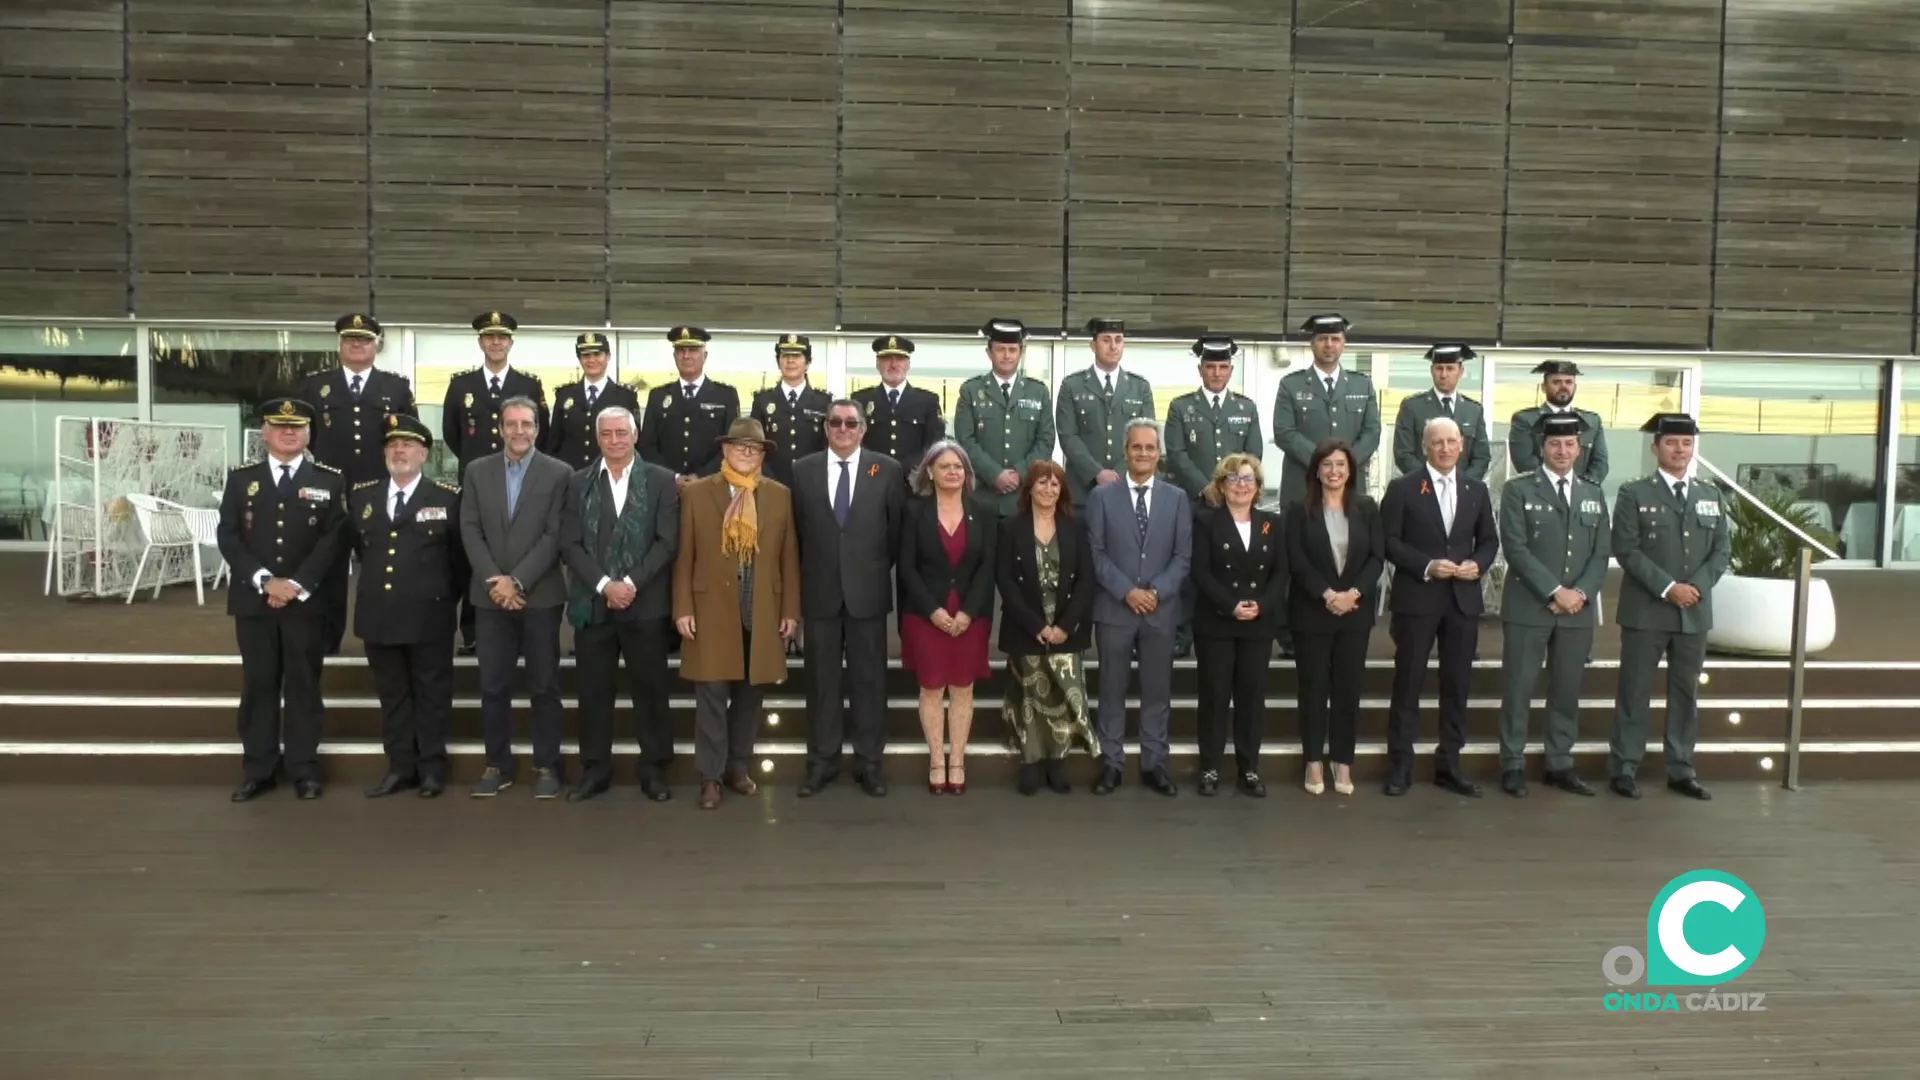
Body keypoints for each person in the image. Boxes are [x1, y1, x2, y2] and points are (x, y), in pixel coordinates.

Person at [215, 398, 346, 802]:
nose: (289, 433)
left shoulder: (329, 480)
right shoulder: (241, 480)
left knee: (304, 685)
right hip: (255, 602)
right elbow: (229, 536)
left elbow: (333, 540)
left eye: (297, 427)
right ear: (265, 433)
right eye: (280, 426)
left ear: (308, 433)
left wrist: (297, 585)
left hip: (305, 602)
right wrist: (265, 581)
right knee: (259, 685)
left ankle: (304, 769)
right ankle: (259, 769)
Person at [673, 419, 801, 810]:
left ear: (763, 455)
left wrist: (791, 611)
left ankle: (737, 767)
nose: (746, 453)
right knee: (711, 693)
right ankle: (710, 777)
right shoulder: (697, 493)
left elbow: (788, 557)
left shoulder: (779, 495)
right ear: (725, 451)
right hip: (711, 608)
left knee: (750, 693)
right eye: (739, 447)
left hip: (760, 609)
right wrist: (682, 607)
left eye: (754, 449)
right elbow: (685, 555)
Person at [557, 406, 680, 803]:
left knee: (651, 689)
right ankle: (595, 769)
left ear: (635, 435)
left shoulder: (661, 481)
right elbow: (569, 543)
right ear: (597, 439)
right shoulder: (577, 483)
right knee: (593, 691)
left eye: (621, 433)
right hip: (593, 605)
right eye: (606, 434)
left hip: (644, 605)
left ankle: (655, 769)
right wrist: (603, 584)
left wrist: (628, 584)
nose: (614, 441)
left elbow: (667, 542)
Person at [457, 395, 573, 799]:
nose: (519, 431)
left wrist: (517, 581)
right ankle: (498, 765)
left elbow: (555, 535)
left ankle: (547, 765)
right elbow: (470, 529)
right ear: (501, 428)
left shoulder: (560, 473)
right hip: (489, 598)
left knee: (544, 685)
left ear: (537, 428)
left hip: (539, 596)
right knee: (493, 685)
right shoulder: (476, 471)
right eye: (511, 424)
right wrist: (497, 582)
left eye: (526, 424)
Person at [1609, 412, 1729, 801]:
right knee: (1634, 691)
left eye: (1687, 443)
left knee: (1685, 694)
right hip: (1647, 610)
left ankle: (1680, 768)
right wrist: (1668, 587)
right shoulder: (1634, 493)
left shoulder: (1710, 495)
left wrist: (1694, 587)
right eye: (1672, 443)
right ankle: (1625, 767)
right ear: (1655, 447)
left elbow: (1720, 551)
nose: (1680, 450)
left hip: (1693, 611)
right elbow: (1626, 548)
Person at [790, 401, 905, 798]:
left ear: (863, 429)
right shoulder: (801, 471)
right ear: (825, 427)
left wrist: (865, 570)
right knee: (821, 683)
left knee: (869, 682)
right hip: (819, 593)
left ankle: (869, 764)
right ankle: (822, 762)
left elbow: (894, 536)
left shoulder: (887, 470)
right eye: (835, 422)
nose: (842, 429)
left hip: (867, 595)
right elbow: (798, 534)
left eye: (850, 423)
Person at [1381, 416, 1499, 797]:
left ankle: (1449, 763)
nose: (1445, 448)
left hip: (1462, 602)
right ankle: (1400, 765)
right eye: (1437, 442)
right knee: (1409, 682)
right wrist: (1427, 566)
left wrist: (1477, 565)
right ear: (1424, 447)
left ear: (1462, 445)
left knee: (1457, 685)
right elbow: (1389, 541)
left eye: (1451, 441)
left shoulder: (1476, 490)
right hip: (1418, 598)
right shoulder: (1402, 489)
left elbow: (1488, 541)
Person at [1497, 413, 1611, 798]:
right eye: (1554, 444)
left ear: (1579, 449)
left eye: (1569, 444)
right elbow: (1515, 547)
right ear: (1542, 448)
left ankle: (1559, 763)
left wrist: (1580, 593)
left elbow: (1600, 552)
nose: (1562, 451)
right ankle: (1511, 763)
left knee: (1566, 688)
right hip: (1530, 607)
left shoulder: (1593, 493)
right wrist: (1553, 591)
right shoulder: (1518, 490)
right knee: (1518, 687)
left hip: (1577, 611)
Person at [347, 414, 461, 799]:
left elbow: (459, 561)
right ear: (384, 452)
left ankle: (431, 768)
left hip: (430, 615)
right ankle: (399, 767)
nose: (400, 451)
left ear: (424, 453)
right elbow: (360, 551)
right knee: (392, 696)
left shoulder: (447, 498)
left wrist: (442, 597)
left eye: (409, 445)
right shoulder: (362, 497)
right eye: (394, 445)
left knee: (431, 695)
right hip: (379, 615)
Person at [296, 313, 417, 655]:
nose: (357, 345)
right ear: (340, 345)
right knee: (328, 568)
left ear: (376, 346)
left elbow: (407, 437)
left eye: (364, 340)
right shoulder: (315, 386)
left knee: (383, 567)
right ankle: (326, 638)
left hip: (379, 491)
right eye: (350, 339)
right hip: (329, 493)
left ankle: (386, 636)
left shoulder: (395, 387)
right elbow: (307, 436)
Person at [1084, 418, 1191, 797]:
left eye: (1149, 447)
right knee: (1111, 688)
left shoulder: (1176, 498)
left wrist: (1156, 592)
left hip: (1161, 611)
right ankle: (1111, 763)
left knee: (1157, 691)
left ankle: (1153, 763)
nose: (1143, 453)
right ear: (1125, 451)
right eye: (1136, 447)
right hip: (1115, 608)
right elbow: (1095, 554)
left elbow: (1182, 556)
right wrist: (1127, 591)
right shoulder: (1101, 498)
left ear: (1158, 453)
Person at [443, 311, 549, 653]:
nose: (496, 342)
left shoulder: (529, 385)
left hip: (520, 481)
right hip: (478, 485)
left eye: (502, 337)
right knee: (473, 554)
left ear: (511, 343)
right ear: (480, 342)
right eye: (490, 337)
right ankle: (473, 631)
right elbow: (452, 434)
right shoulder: (461, 385)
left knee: (519, 549)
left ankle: (519, 620)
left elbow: (538, 431)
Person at [1286, 438, 1383, 797]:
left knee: (1348, 690)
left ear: (1351, 470)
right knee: (1312, 689)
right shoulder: (1298, 509)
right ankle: (1313, 761)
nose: (1334, 471)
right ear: (1316, 470)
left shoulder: (1367, 508)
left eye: (1340, 464)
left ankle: (1343, 761)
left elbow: (1377, 557)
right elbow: (1296, 560)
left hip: (1354, 614)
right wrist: (1327, 594)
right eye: (1326, 465)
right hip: (1313, 612)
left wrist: (1352, 594)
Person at [898, 440, 996, 795]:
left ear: (967, 474)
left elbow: (987, 567)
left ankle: (958, 760)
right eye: (945, 466)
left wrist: (968, 612)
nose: (953, 472)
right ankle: (937, 759)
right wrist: (933, 610)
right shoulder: (914, 511)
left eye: (959, 467)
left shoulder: (983, 510)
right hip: (927, 616)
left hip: (971, 616)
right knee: (932, 687)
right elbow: (906, 567)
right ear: (930, 472)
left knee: (962, 688)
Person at [1165, 334, 1269, 659]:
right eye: (1211, 367)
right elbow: (1177, 453)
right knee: (1189, 570)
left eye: (1223, 367)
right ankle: (1182, 635)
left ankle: (1229, 621)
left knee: (1231, 568)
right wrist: (1207, 488)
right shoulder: (1181, 407)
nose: (1217, 373)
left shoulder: (1246, 408)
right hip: (1195, 504)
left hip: (1236, 505)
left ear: (1231, 369)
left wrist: (1229, 488)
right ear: (1200, 369)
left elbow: (1253, 455)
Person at [996, 460, 1097, 795]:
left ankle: (1057, 760)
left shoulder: (1076, 526)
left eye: (1055, 484)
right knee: (1028, 694)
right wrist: (1036, 625)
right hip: (1026, 624)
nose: (1049, 489)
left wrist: (1065, 626)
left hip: (1067, 625)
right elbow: (1006, 580)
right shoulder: (1011, 527)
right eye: (1042, 483)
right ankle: (1030, 760)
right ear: (1030, 488)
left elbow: (1086, 579)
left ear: (1062, 490)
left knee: (1062, 693)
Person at [1188, 453, 1286, 797]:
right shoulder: (1204, 521)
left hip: (1258, 624)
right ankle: (1210, 767)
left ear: (1258, 487)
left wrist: (1260, 605)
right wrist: (1231, 606)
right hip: (1216, 622)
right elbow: (1200, 572)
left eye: (1248, 480)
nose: (1241, 486)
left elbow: (1280, 574)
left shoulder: (1272, 523)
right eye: (1233, 479)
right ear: (1221, 485)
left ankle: (1249, 768)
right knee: (1214, 696)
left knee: (1251, 698)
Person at [1271, 313, 1381, 508]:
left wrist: (1343, 465)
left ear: (1343, 344)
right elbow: (1284, 433)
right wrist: (1323, 462)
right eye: (1322, 339)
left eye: (1335, 339)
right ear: (1312, 344)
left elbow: (1372, 432)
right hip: (1303, 488)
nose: (1329, 344)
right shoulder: (1290, 385)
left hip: (1349, 488)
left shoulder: (1362, 385)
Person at [952, 318, 1056, 518]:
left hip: (1024, 497)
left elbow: (1046, 440)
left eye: (1012, 349)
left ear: (1021, 352)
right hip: (982, 497)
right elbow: (965, 440)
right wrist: (994, 474)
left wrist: (1019, 473)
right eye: (1000, 349)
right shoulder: (971, 390)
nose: (1007, 355)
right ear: (989, 352)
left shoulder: (1038, 391)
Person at [1056, 317, 1156, 500]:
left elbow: (1146, 436)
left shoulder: (1140, 387)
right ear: (1093, 345)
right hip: (1082, 489)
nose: (1113, 346)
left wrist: (1119, 473)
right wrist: (1096, 472)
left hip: (1128, 487)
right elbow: (1068, 436)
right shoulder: (1072, 385)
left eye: (1118, 340)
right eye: (1106, 340)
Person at [637, 325, 741, 488]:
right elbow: (647, 447)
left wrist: (702, 476)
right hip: (667, 487)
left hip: (711, 486)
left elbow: (731, 446)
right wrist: (673, 477)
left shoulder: (726, 396)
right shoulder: (658, 396)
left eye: (693, 350)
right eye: (680, 350)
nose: (686, 356)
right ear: (674, 356)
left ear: (704, 355)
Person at [851, 335, 945, 479]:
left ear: (908, 364)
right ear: (877, 364)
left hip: (914, 482)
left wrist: (912, 469)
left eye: (900, 359)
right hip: (872, 479)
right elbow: (855, 442)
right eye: (887, 359)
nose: (893, 364)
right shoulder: (861, 400)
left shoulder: (928, 401)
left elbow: (934, 445)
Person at [542, 332, 640, 471]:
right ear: (579, 359)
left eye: (597, 354)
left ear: (608, 357)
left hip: (610, 475)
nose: (591, 360)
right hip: (570, 477)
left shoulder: (625, 397)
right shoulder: (565, 395)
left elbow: (636, 443)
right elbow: (554, 443)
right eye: (586, 355)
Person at [1392, 344, 1490, 482]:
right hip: (1423, 489)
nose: (1444, 375)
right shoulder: (1412, 407)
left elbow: (1482, 456)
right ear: (1432, 371)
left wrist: (1461, 483)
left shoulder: (1473, 410)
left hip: (1462, 492)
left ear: (1461, 371)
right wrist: (1432, 480)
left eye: (1450, 368)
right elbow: (1403, 454)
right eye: (1439, 368)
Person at [749, 334, 831, 489]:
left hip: (812, 485)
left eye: (796, 356)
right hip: (770, 484)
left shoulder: (823, 403)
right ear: (778, 362)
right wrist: (768, 480)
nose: (790, 361)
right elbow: (756, 447)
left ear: (807, 363)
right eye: (785, 355)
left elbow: (827, 449)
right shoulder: (762, 401)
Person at [1509, 360, 1608, 484]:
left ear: (1575, 387)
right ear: (1544, 387)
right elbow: (1525, 463)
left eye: (1568, 382)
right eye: (1556, 382)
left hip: (1581, 494)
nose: (1563, 386)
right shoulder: (1525, 420)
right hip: (1540, 493)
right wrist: (1556, 486)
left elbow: (1600, 464)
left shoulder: (1592, 421)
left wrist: (1580, 489)